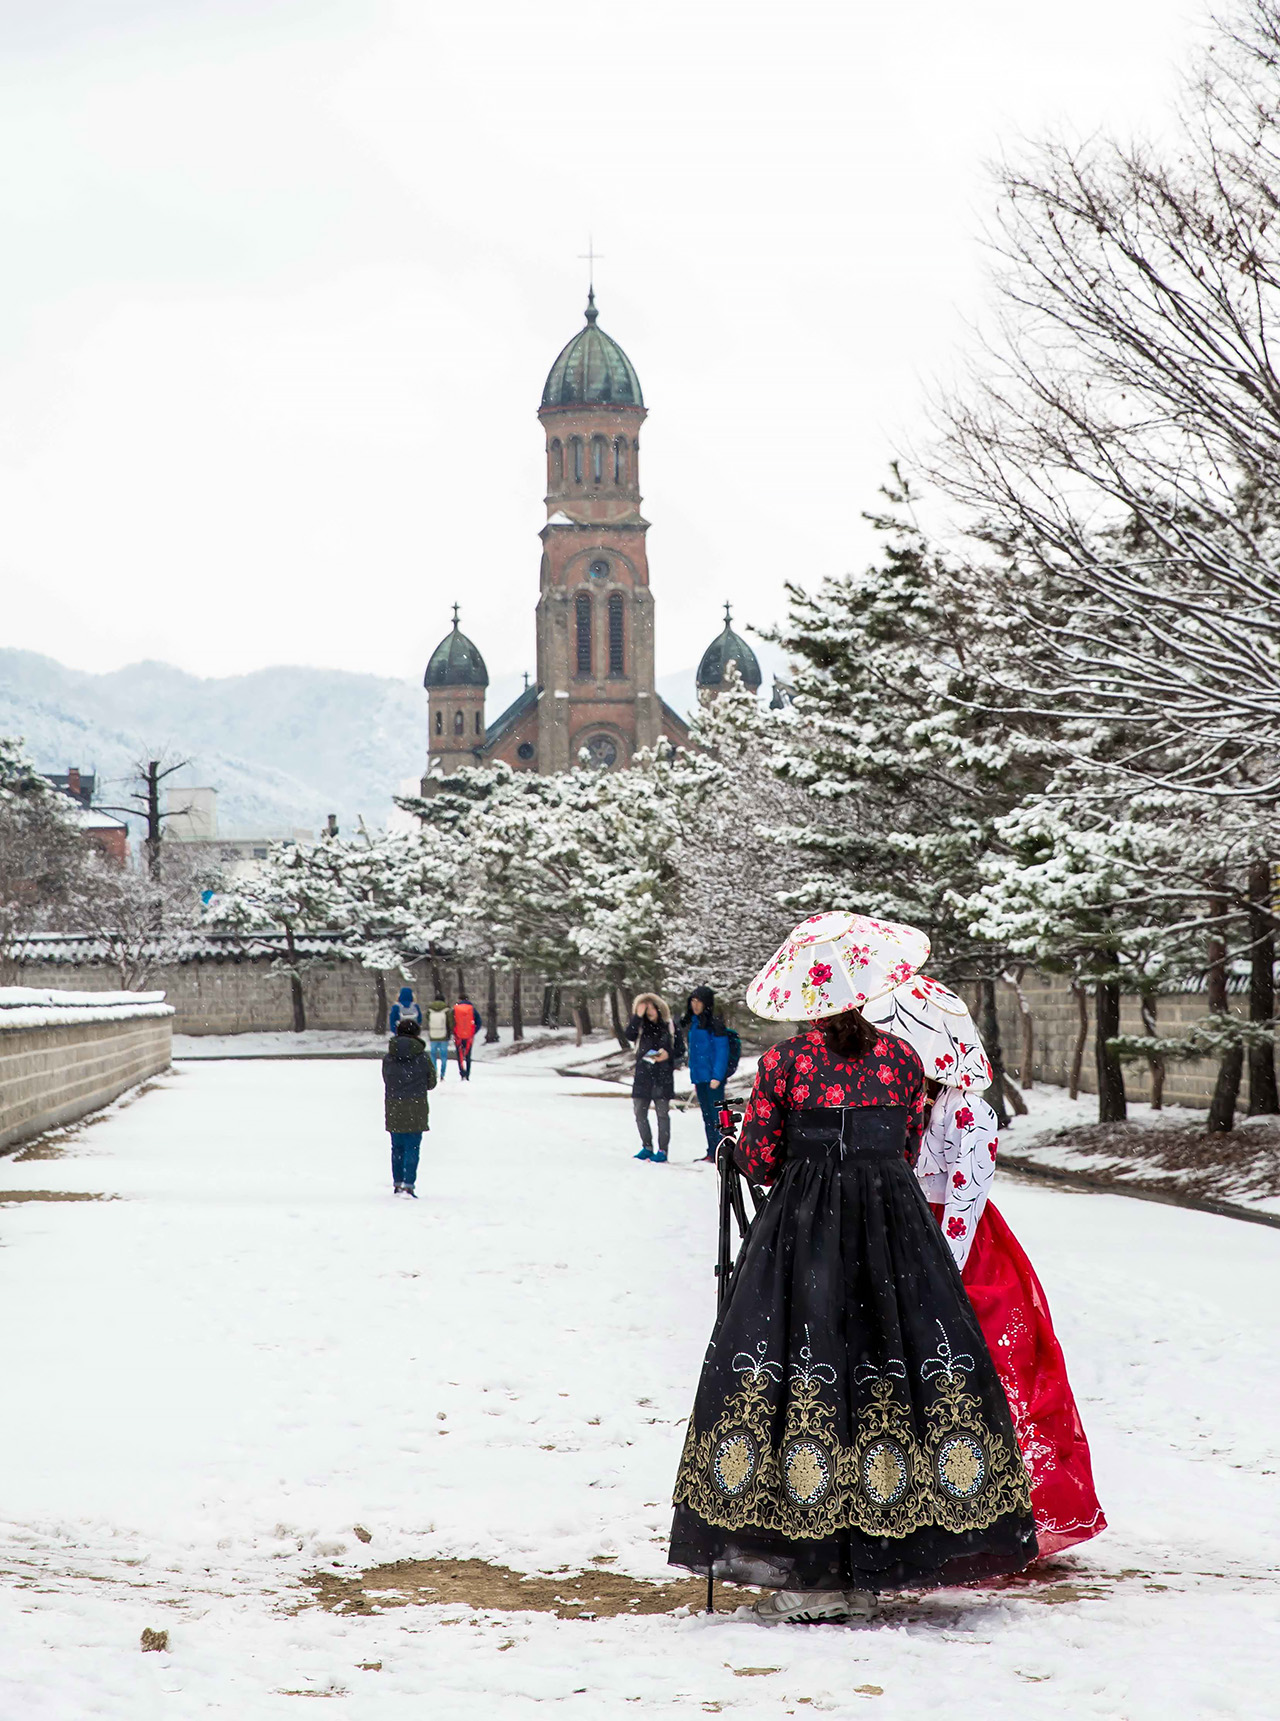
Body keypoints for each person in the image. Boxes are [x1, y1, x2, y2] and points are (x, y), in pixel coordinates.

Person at [669, 912, 1037, 1625]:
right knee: (887, 1375)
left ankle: (809, 1569)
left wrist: (738, 1147)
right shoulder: (902, 1059)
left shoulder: (783, 1063)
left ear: (809, 998)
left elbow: (765, 1158)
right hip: (893, 1232)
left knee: (805, 1373)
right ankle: (876, 1562)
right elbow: (903, 1139)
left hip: (805, 1232)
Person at [919, 1085, 1107, 1556]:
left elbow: (968, 1194)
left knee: (995, 1369)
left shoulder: (968, 1109)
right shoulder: (902, 1100)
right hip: (909, 1228)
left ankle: (1009, 1516)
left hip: (961, 1245)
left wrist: (945, 1264)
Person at [625, 993, 685, 1164]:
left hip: (662, 1076)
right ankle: (647, 1146)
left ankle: (662, 1150)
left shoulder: (670, 1026)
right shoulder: (640, 1027)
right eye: (645, 1008)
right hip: (643, 1075)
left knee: (662, 1115)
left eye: (651, 1007)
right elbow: (628, 1035)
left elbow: (681, 1050)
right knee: (639, 1112)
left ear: (659, 1007)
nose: (649, 1011)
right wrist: (637, 1016)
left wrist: (668, 1055)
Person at [381, 1019, 437, 1197]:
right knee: (413, 1147)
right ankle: (409, 1183)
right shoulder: (423, 1057)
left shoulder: (389, 1058)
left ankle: (397, 1183)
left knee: (396, 1147)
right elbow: (431, 1082)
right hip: (416, 1105)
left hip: (394, 1104)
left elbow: (387, 1079)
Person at [681, 986, 730, 1163]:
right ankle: (712, 1152)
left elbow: (721, 1051)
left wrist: (717, 1076)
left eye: (698, 1001)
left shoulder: (715, 1024)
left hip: (713, 1079)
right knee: (707, 1117)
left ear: (706, 1003)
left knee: (717, 1117)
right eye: (692, 1001)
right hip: (700, 1078)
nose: (695, 1005)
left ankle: (722, 1152)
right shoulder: (694, 1023)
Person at [452, 994, 482, 1081]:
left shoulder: (455, 1009)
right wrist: (473, 1031)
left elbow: (452, 1022)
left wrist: (454, 1032)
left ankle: (462, 1073)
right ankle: (468, 1074)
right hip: (469, 1036)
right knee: (468, 1055)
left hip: (458, 1036)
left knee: (459, 1054)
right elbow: (479, 1022)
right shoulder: (472, 1009)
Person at [425, 998, 453, 1080]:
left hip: (433, 1035)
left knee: (433, 1055)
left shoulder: (430, 1010)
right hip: (443, 1035)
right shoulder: (447, 1010)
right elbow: (450, 1023)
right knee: (443, 1056)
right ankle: (442, 1074)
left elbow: (428, 1019)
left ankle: (434, 1072)